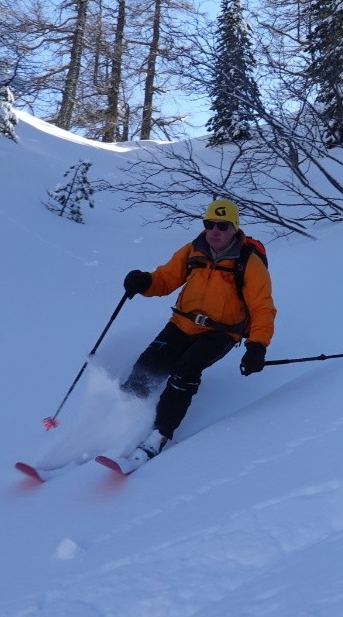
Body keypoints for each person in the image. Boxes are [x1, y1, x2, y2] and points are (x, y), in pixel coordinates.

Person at [117, 198, 275, 464]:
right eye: (209, 224)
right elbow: (166, 278)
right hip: (181, 323)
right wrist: (144, 282)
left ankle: (159, 434)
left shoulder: (248, 263)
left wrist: (257, 346)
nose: (214, 231)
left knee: (184, 372)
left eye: (222, 226)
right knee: (148, 365)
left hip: (221, 333)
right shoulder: (193, 250)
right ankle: (119, 415)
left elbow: (262, 307)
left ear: (235, 228)